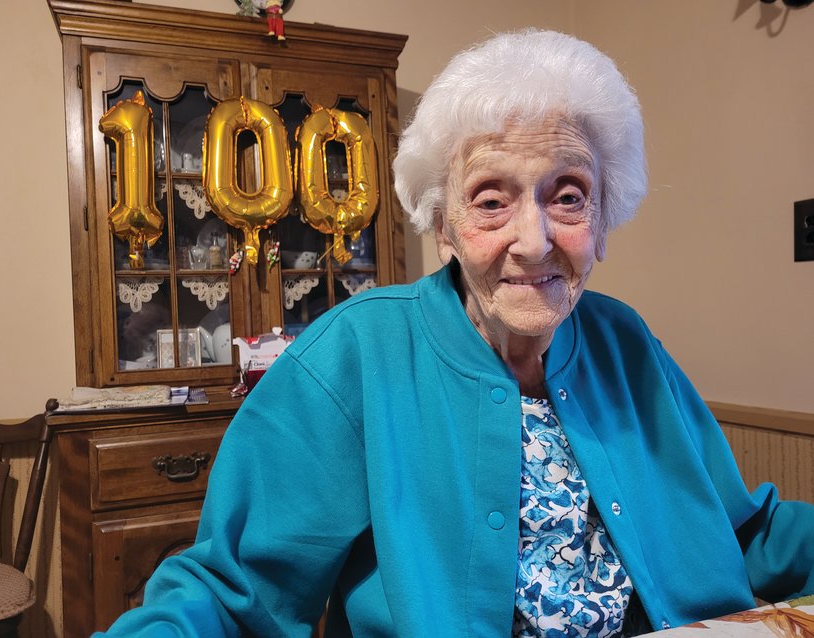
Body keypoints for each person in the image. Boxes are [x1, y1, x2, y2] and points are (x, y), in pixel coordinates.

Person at [98, 28, 814, 637]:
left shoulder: (625, 342)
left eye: (568, 196)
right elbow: (231, 594)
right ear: (442, 227)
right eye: (491, 199)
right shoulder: (354, 356)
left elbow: (745, 534)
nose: (534, 241)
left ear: (603, 222)